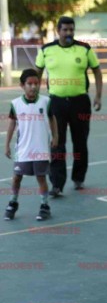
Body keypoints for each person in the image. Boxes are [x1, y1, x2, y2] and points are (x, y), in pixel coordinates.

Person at [34, 16, 102, 196]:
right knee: (57, 143)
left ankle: (78, 178)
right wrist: (34, 95)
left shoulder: (84, 49)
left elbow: (97, 70)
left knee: (80, 142)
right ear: (58, 31)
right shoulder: (47, 50)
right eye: (65, 30)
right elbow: (37, 72)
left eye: (71, 29)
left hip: (80, 102)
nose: (69, 33)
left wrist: (98, 96)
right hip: (56, 103)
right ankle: (57, 184)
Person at [4, 69, 58, 221]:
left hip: (40, 148)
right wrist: (7, 144)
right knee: (16, 178)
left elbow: (52, 119)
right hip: (23, 149)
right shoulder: (16, 104)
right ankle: (13, 203)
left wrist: (56, 136)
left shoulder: (46, 101)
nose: (33, 87)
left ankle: (44, 206)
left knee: (41, 178)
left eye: (36, 83)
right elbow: (12, 124)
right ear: (22, 85)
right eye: (30, 84)